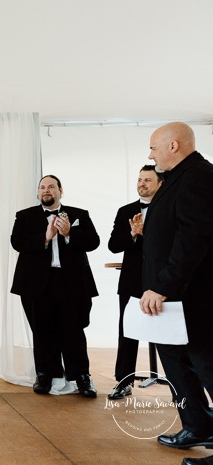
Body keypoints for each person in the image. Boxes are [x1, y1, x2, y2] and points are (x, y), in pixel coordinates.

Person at [138, 123, 213, 464]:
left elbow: (193, 239)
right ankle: (197, 425)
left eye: (153, 147)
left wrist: (164, 286)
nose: (150, 154)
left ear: (173, 145)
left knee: (206, 366)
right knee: (177, 365)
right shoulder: (179, 178)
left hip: (192, 298)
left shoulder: (199, 176)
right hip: (171, 302)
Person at [10, 175, 100, 397]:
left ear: (61, 190)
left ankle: (82, 377)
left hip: (72, 283)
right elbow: (17, 242)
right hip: (37, 283)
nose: (46, 190)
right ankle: (45, 374)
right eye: (42, 187)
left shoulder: (79, 214)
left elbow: (94, 242)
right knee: (42, 331)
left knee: (74, 331)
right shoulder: (25, 216)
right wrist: (46, 236)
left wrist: (69, 233)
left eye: (51, 186)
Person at [107, 165, 163, 399]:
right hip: (131, 282)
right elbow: (113, 245)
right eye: (140, 179)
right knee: (127, 331)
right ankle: (124, 381)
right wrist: (132, 234)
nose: (142, 183)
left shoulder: (168, 209)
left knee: (170, 334)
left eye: (148, 180)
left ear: (160, 183)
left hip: (162, 283)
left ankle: (182, 385)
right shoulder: (125, 211)